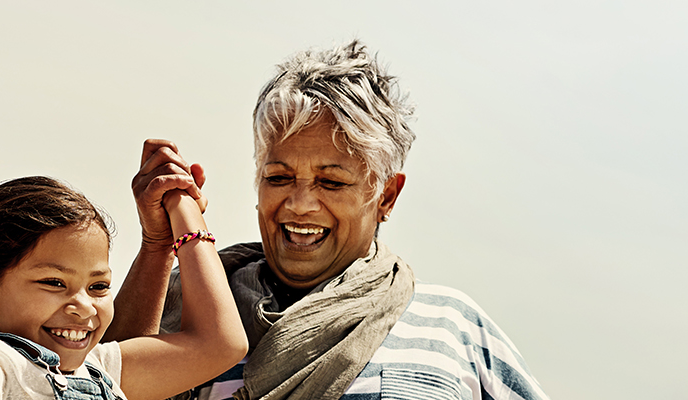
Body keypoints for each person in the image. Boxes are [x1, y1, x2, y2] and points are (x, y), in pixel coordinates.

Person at [105, 41, 550, 400]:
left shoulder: (452, 328)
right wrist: (157, 246)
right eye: (279, 177)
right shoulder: (190, 313)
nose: (300, 204)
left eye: (331, 182)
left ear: (386, 196)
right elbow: (99, 386)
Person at [0, 139, 248, 400]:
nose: (84, 307)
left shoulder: (100, 369)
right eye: (55, 283)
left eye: (99, 287)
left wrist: (179, 205)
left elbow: (220, 344)